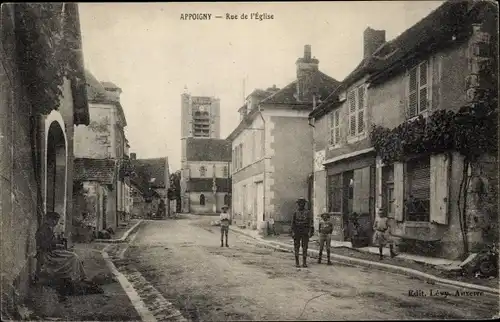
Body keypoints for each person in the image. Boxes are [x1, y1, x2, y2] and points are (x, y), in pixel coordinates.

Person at [35, 212, 96, 295]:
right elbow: (44, 245)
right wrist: (57, 245)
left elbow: (50, 242)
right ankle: (77, 278)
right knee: (73, 256)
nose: (56, 223)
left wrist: (57, 243)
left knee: (73, 255)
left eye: (56, 221)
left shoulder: (48, 228)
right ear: (49, 219)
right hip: (47, 254)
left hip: (51, 251)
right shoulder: (44, 229)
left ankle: (81, 277)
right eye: (54, 221)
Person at [291, 197, 314, 268]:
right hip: (297, 230)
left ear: (304, 204)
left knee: (305, 247)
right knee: (296, 247)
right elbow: (293, 223)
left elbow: (310, 223)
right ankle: (297, 262)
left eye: (303, 203)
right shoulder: (295, 212)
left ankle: (304, 262)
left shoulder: (308, 212)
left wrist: (310, 232)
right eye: (300, 203)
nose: (301, 204)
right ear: (298, 204)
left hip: (305, 231)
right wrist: (292, 232)